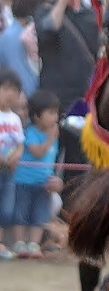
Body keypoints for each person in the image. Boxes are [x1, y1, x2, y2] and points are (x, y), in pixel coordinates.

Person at [33, 0, 96, 195]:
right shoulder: (45, 11)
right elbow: (48, 31)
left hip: (82, 105)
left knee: (77, 172)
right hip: (51, 104)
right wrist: (63, 0)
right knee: (45, 169)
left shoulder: (93, 16)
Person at [10, 89, 60, 259]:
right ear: (37, 116)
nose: (55, 117)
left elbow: (51, 160)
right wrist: (50, 139)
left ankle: (34, 244)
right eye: (51, 113)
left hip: (43, 183)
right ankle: (19, 243)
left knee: (40, 216)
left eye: (56, 113)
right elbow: (37, 152)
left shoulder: (53, 134)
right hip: (23, 181)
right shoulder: (30, 132)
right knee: (21, 214)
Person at [0, 69, 24, 260]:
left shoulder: (15, 119)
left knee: (6, 210)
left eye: (15, 90)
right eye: (6, 89)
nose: (11, 94)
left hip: (9, 171)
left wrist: (16, 156)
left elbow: (19, 144)